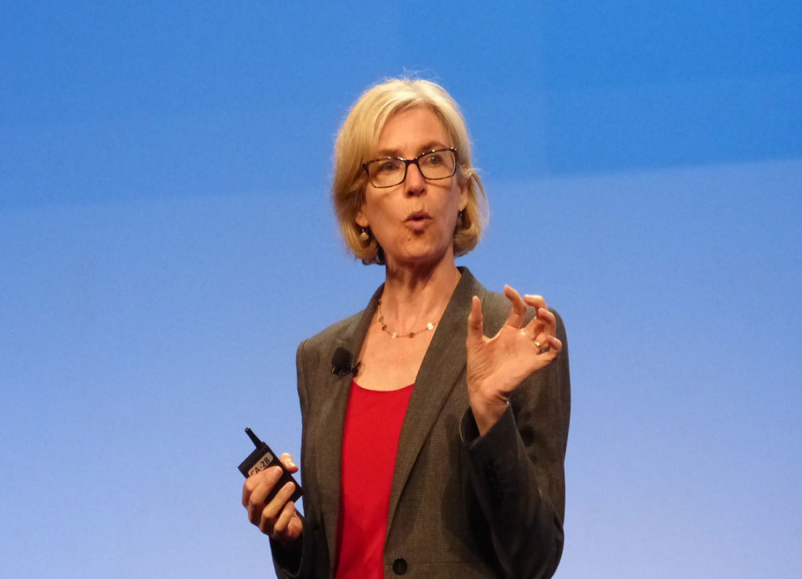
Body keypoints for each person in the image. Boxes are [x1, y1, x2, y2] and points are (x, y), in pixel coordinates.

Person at [241, 77, 570, 579]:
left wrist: (488, 413)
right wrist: (291, 542)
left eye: (434, 159)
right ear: (360, 208)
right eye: (389, 167)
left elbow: (535, 559)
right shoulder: (320, 358)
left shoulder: (517, 337)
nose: (414, 183)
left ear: (462, 191)